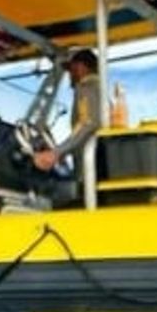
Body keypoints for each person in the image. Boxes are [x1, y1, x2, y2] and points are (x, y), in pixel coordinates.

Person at [32, 48, 103, 204]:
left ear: (81, 67)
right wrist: (63, 154)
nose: (70, 75)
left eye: (71, 69)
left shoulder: (86, 88)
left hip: (91, 170)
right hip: (100, 166)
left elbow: (87, 124)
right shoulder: (100, 90)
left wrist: (56, 153)